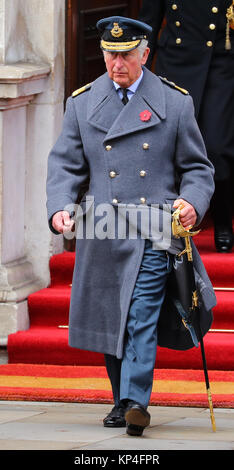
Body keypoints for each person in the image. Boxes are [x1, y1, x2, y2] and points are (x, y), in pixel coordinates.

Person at [46, 16, 215, 436]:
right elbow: (65, 164)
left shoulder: (175, 103)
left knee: (140, 313)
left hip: (156, 225)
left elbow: (198, 168)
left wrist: (192, 202)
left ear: (145, 53)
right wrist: (59, 208)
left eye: (124, 55)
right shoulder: (82, 103)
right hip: (102, 226)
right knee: (112, 318)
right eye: (109, 54)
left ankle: (137, 400)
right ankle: (122, 400)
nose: (116, 63)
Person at [139, 0, 234, 253]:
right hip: (177, 61)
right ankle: (171, 227)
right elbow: (149, 21)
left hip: (221, 64)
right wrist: (139, 72)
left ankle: (223, 220)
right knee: (169, 147)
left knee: (216, 147)